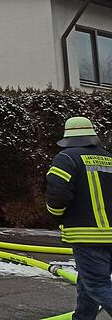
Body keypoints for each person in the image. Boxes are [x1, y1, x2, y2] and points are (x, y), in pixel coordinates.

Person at [46, 116, 112, 319]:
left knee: (97, 285)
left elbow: (58, 194)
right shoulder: (109, 158)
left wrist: (56, 215)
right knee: (87, 284)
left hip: (87, 235)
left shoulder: (66, 158)